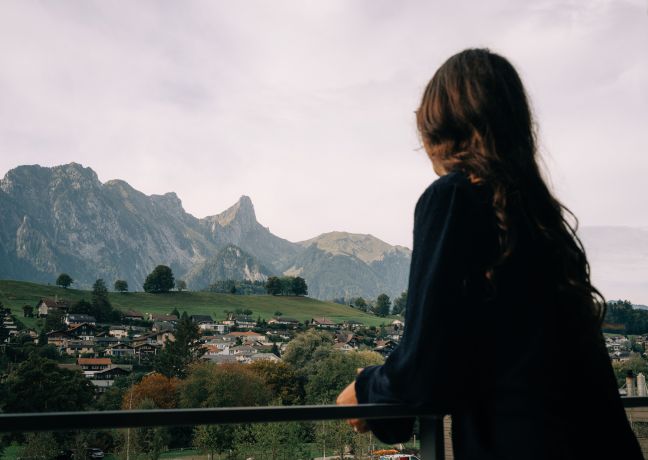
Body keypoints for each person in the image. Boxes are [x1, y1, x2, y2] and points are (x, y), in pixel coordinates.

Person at [336, 49, 643, 459]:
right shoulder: (542, 221)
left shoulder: (454, 199)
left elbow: (427, 363)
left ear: (440, 127)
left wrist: (366, 390)